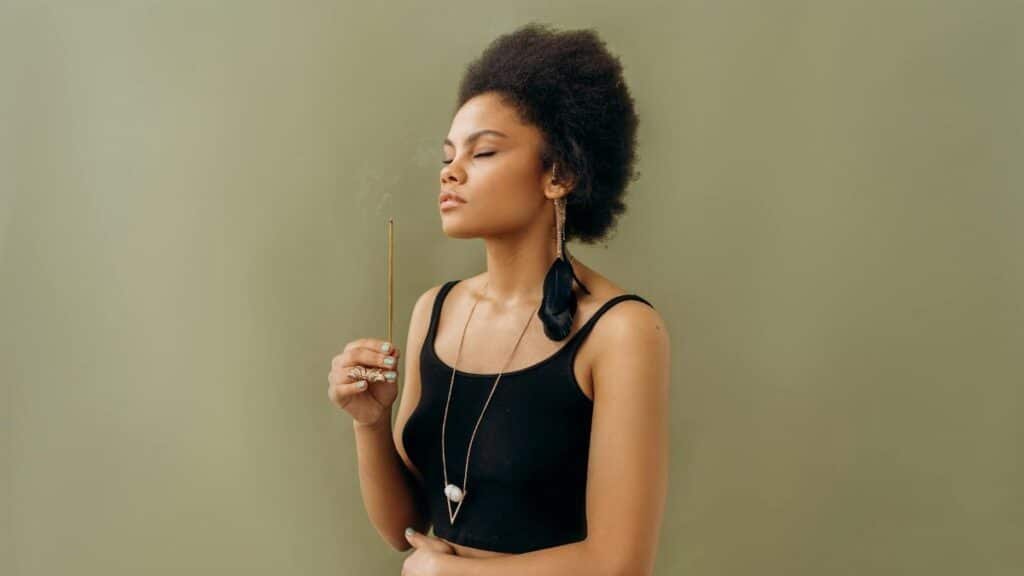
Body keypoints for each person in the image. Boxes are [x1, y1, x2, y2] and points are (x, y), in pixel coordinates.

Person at [328, 22, 670, 576]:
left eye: (482, 153)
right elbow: (403, 529)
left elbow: (620, 563)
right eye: (447, 156)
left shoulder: (620, 330)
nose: (451, 173)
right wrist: (369, 423)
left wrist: (453, 574)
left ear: (559, 173)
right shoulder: (433, 311)